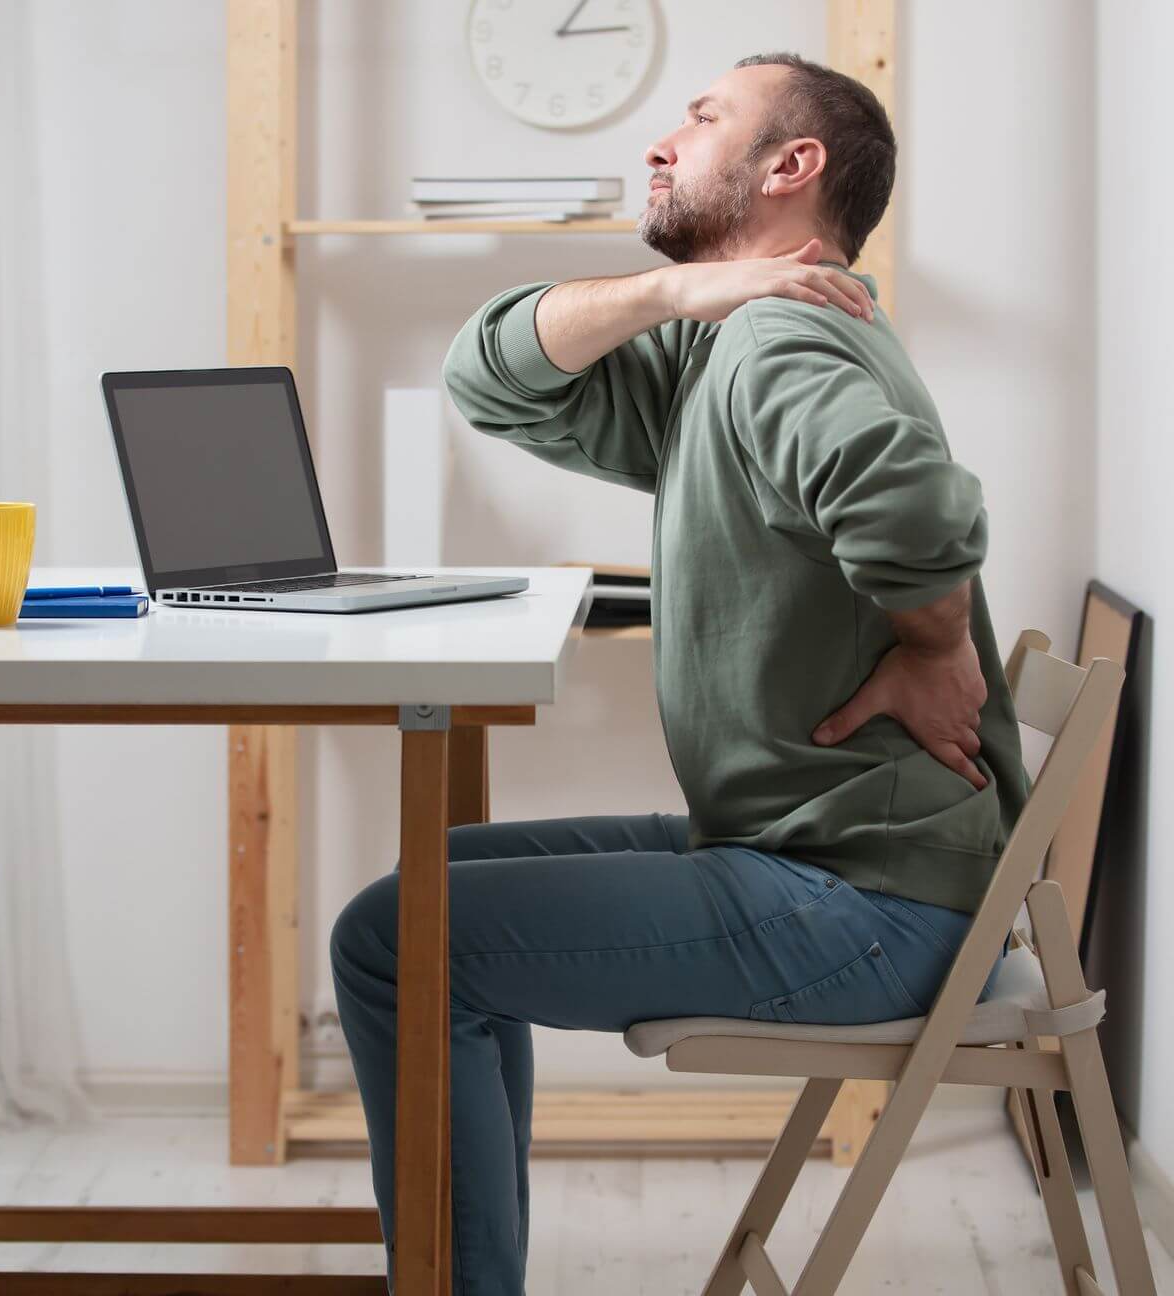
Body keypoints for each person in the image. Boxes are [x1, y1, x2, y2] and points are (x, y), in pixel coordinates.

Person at [330, 51, 1029, 1296]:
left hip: (865, 904)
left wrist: (937, 643)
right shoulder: (725, 341)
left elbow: (914, 502)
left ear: (789, 166)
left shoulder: (775, 342)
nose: (662, 143)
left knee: (397, 939)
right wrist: (673, 299)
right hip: (831, 856)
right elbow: (489, 376)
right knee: (434, 887)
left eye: (702, 118)